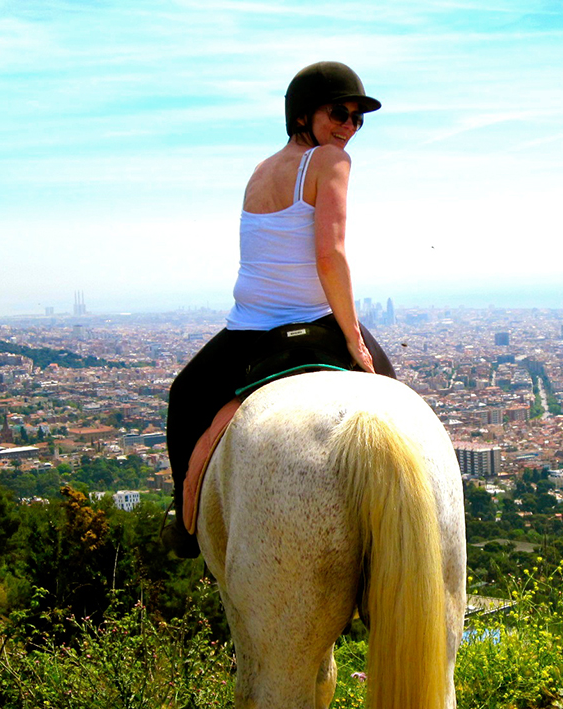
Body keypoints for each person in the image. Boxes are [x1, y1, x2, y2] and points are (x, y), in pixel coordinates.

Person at [163, 62, 395, 558]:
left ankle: (182, 524)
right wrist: (353, 338)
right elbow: (329, 253)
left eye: (358, 118)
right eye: (339, 112)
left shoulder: (259, 170)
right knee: (394, 402)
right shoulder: (331, 160)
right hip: (314, 325)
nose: (348, 127)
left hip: (245, 333)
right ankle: (392, 543)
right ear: (303, 114)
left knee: (184, 396)